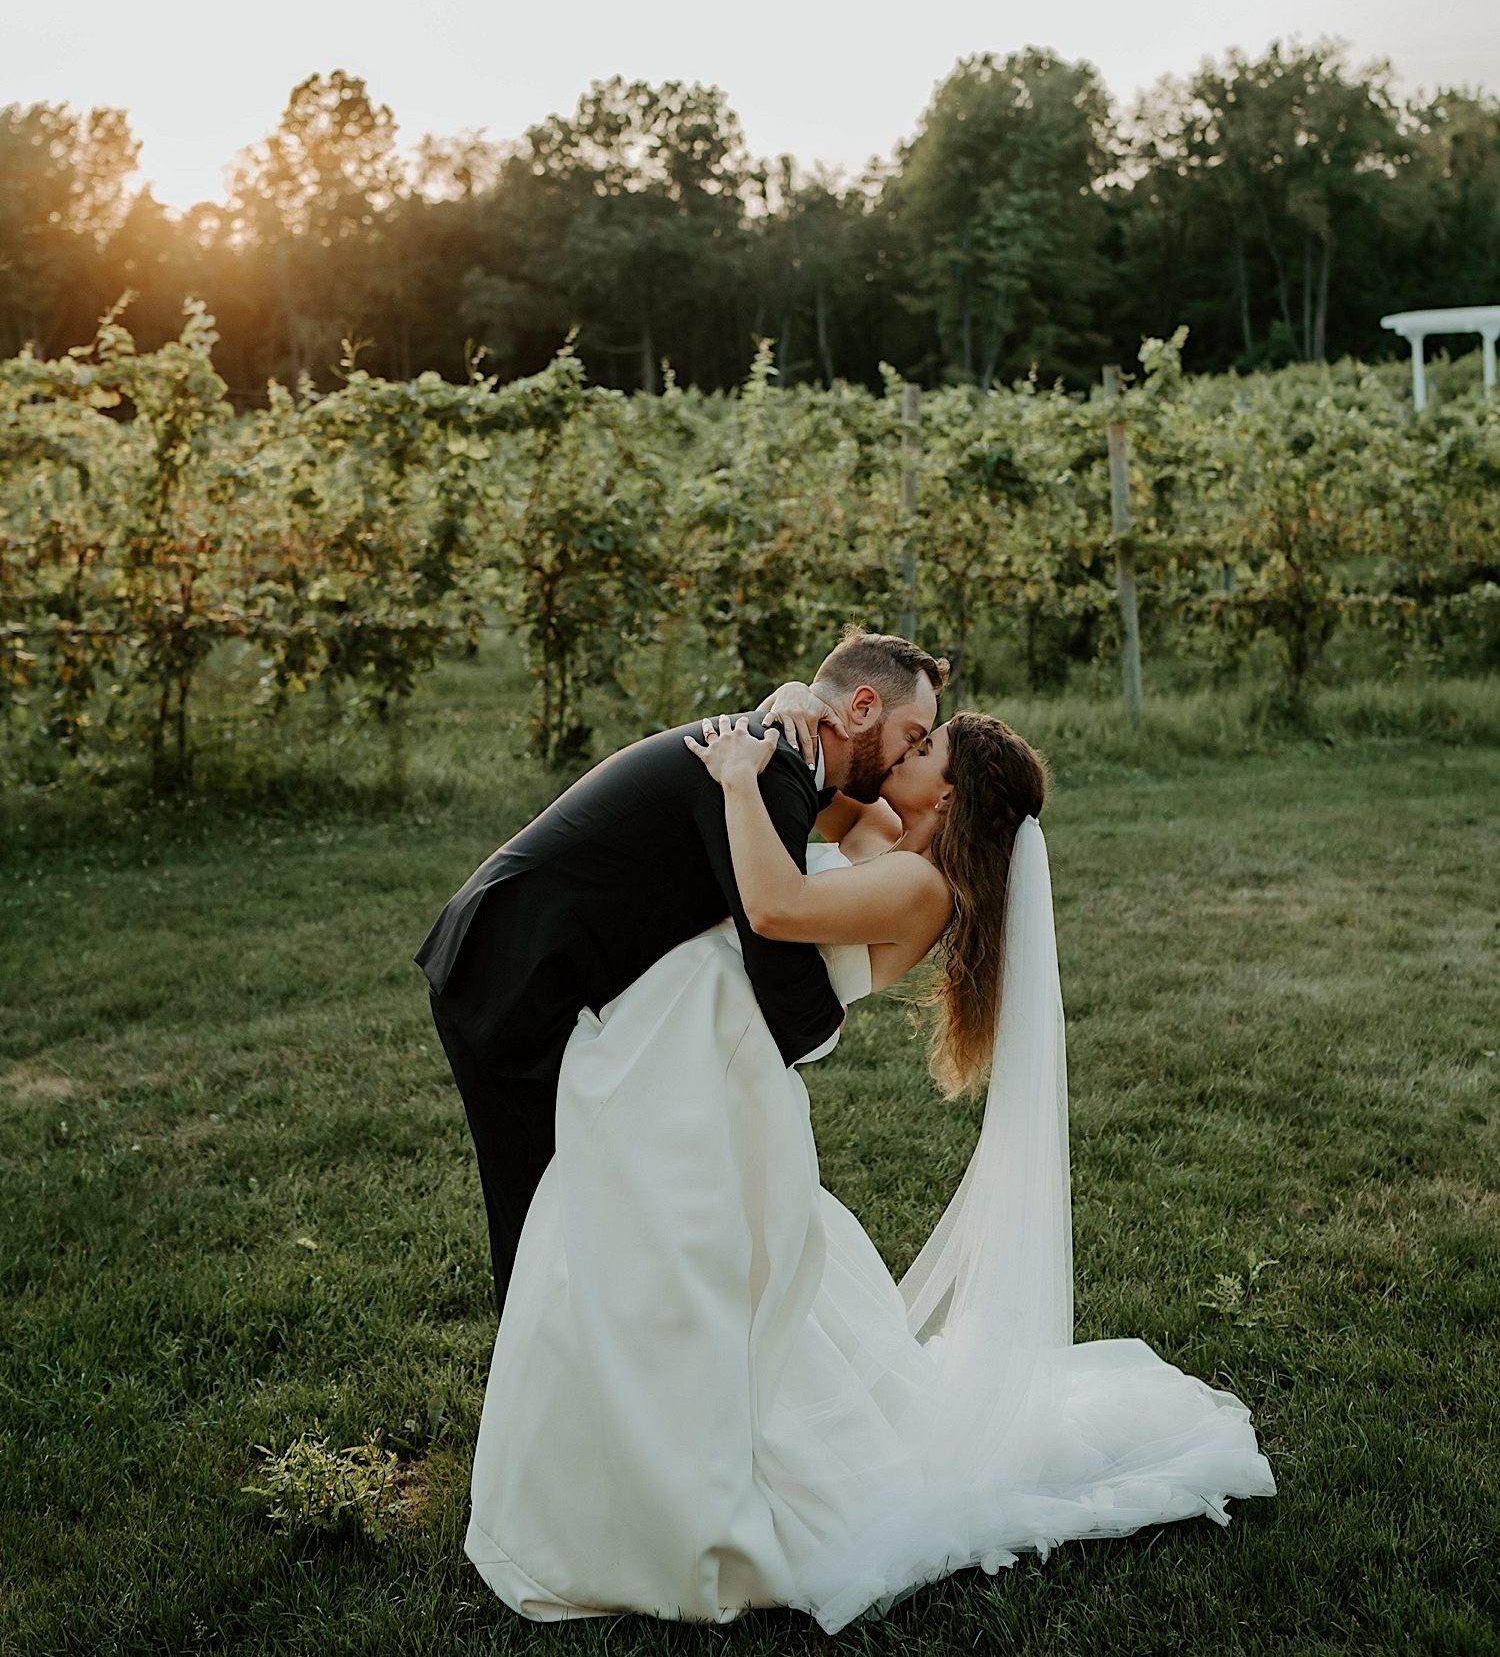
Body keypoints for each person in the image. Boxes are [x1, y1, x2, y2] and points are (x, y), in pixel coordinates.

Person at [459, 688, 1277, 1632]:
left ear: (954, 796)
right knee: (659, 1256)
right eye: (917, 734)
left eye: (930, 748)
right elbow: (833, 797)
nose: (914, 749)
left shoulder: (920, 888)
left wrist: (733, 780)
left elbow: (772, 902)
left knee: (668, 1260)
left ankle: (672, 1494)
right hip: (699, 1042)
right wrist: (793, 712)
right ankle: (614, 1457)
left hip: (713, 1058)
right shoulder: (904, 848)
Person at [415, 627, 947, 1319]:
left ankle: (583, 1374)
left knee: (593, 1205)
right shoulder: (768, 767)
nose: (912, 752)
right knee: (543, 1207)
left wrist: (797, 693)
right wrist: (810, 1032)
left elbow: (851, 834)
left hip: (557, 970)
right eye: (915, 733)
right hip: (511, 967)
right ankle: (547, 1391)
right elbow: (774, 941)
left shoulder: (785, 758)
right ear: (864, 706)